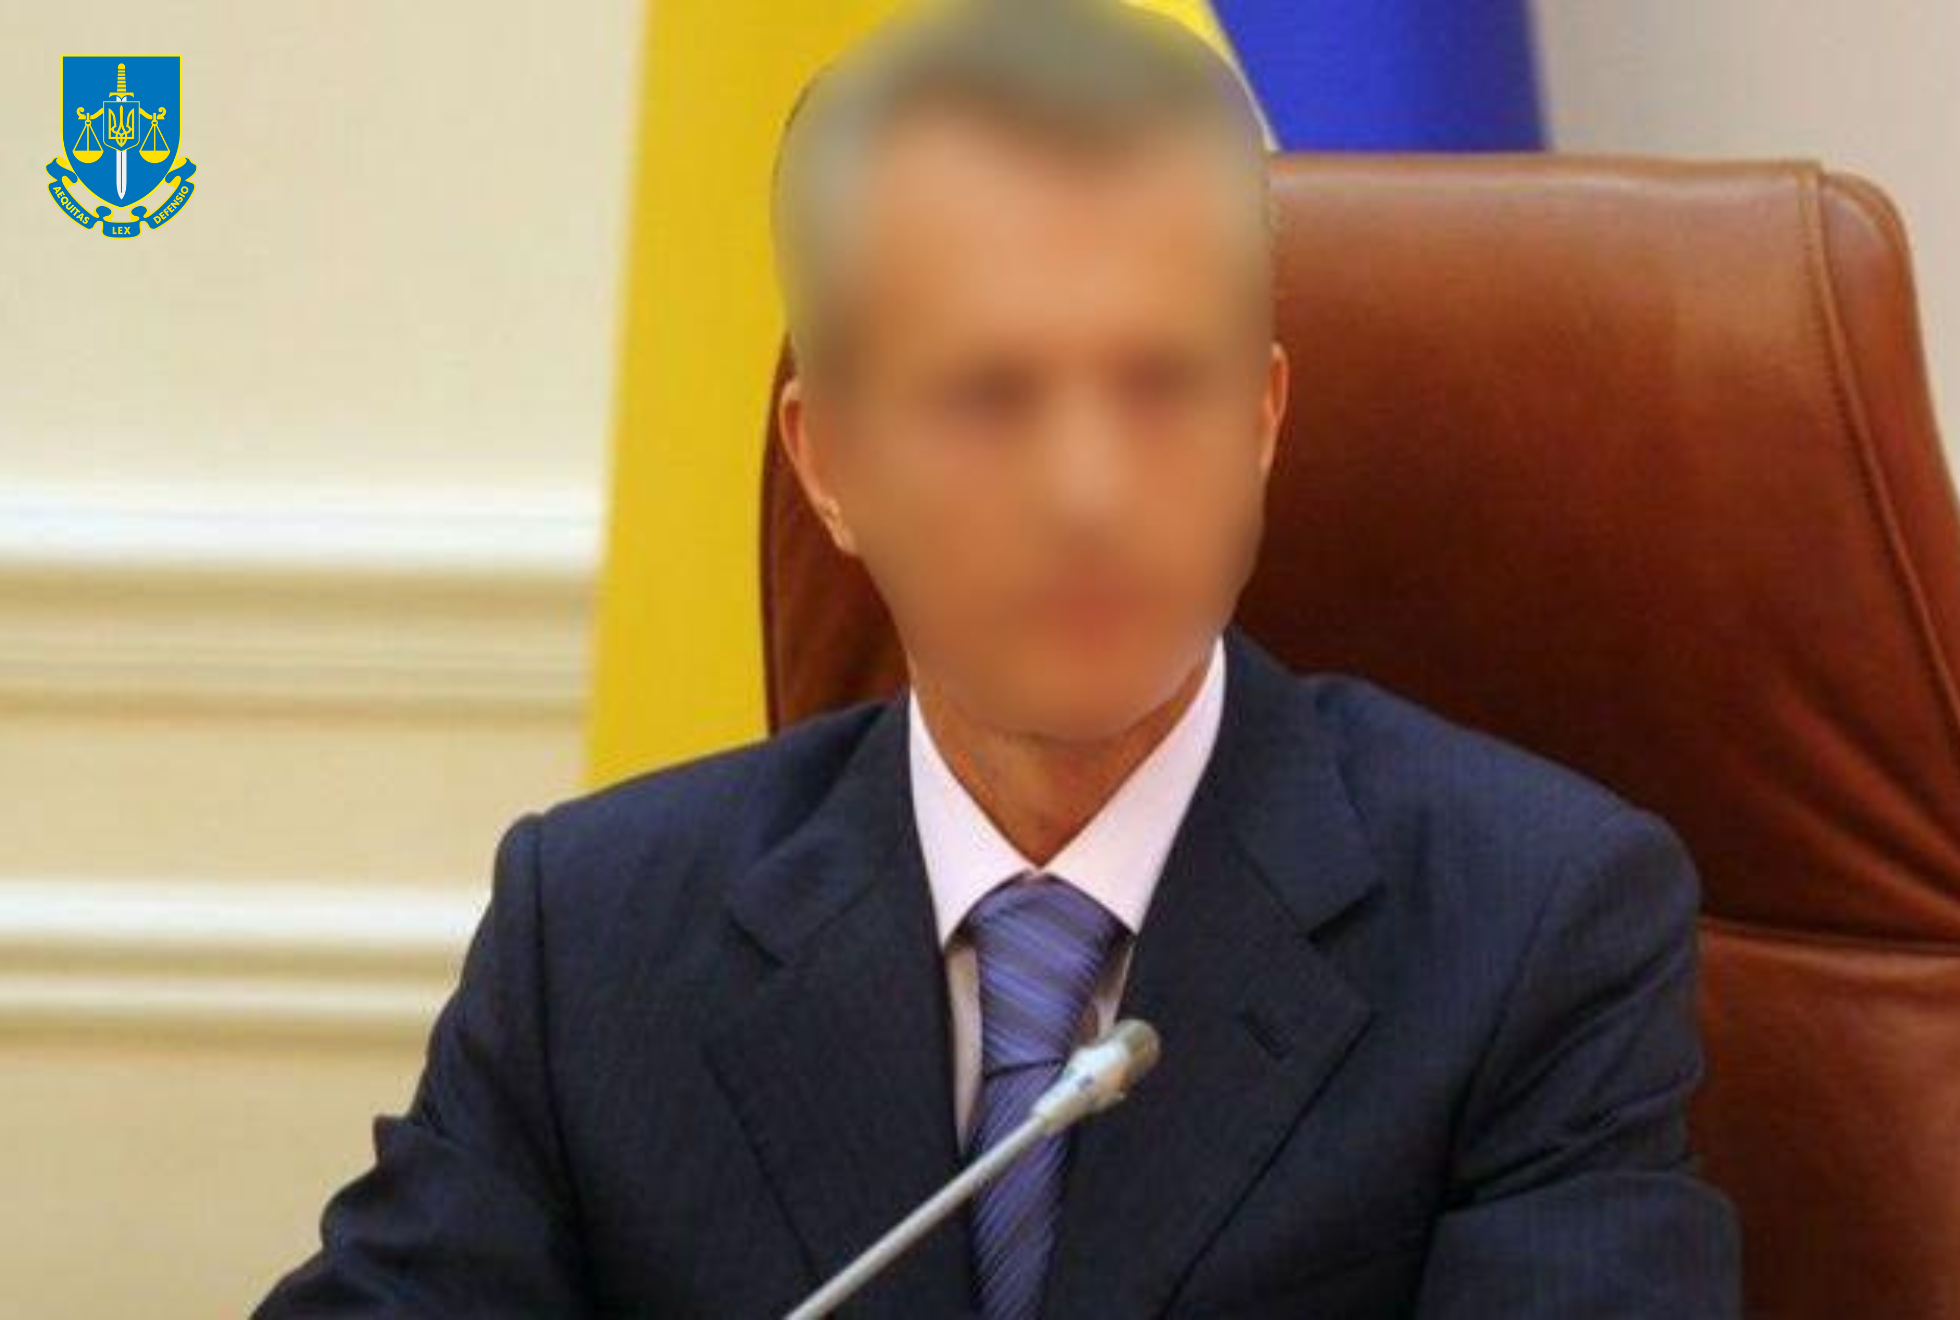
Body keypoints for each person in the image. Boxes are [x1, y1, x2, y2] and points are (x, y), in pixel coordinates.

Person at [255, 2, 1741, 1314]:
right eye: (990, 396)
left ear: (1262, 424)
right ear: (827, 462)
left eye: (1160, 385)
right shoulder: (594, 937)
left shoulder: (1530, 925)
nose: (1086, 490)